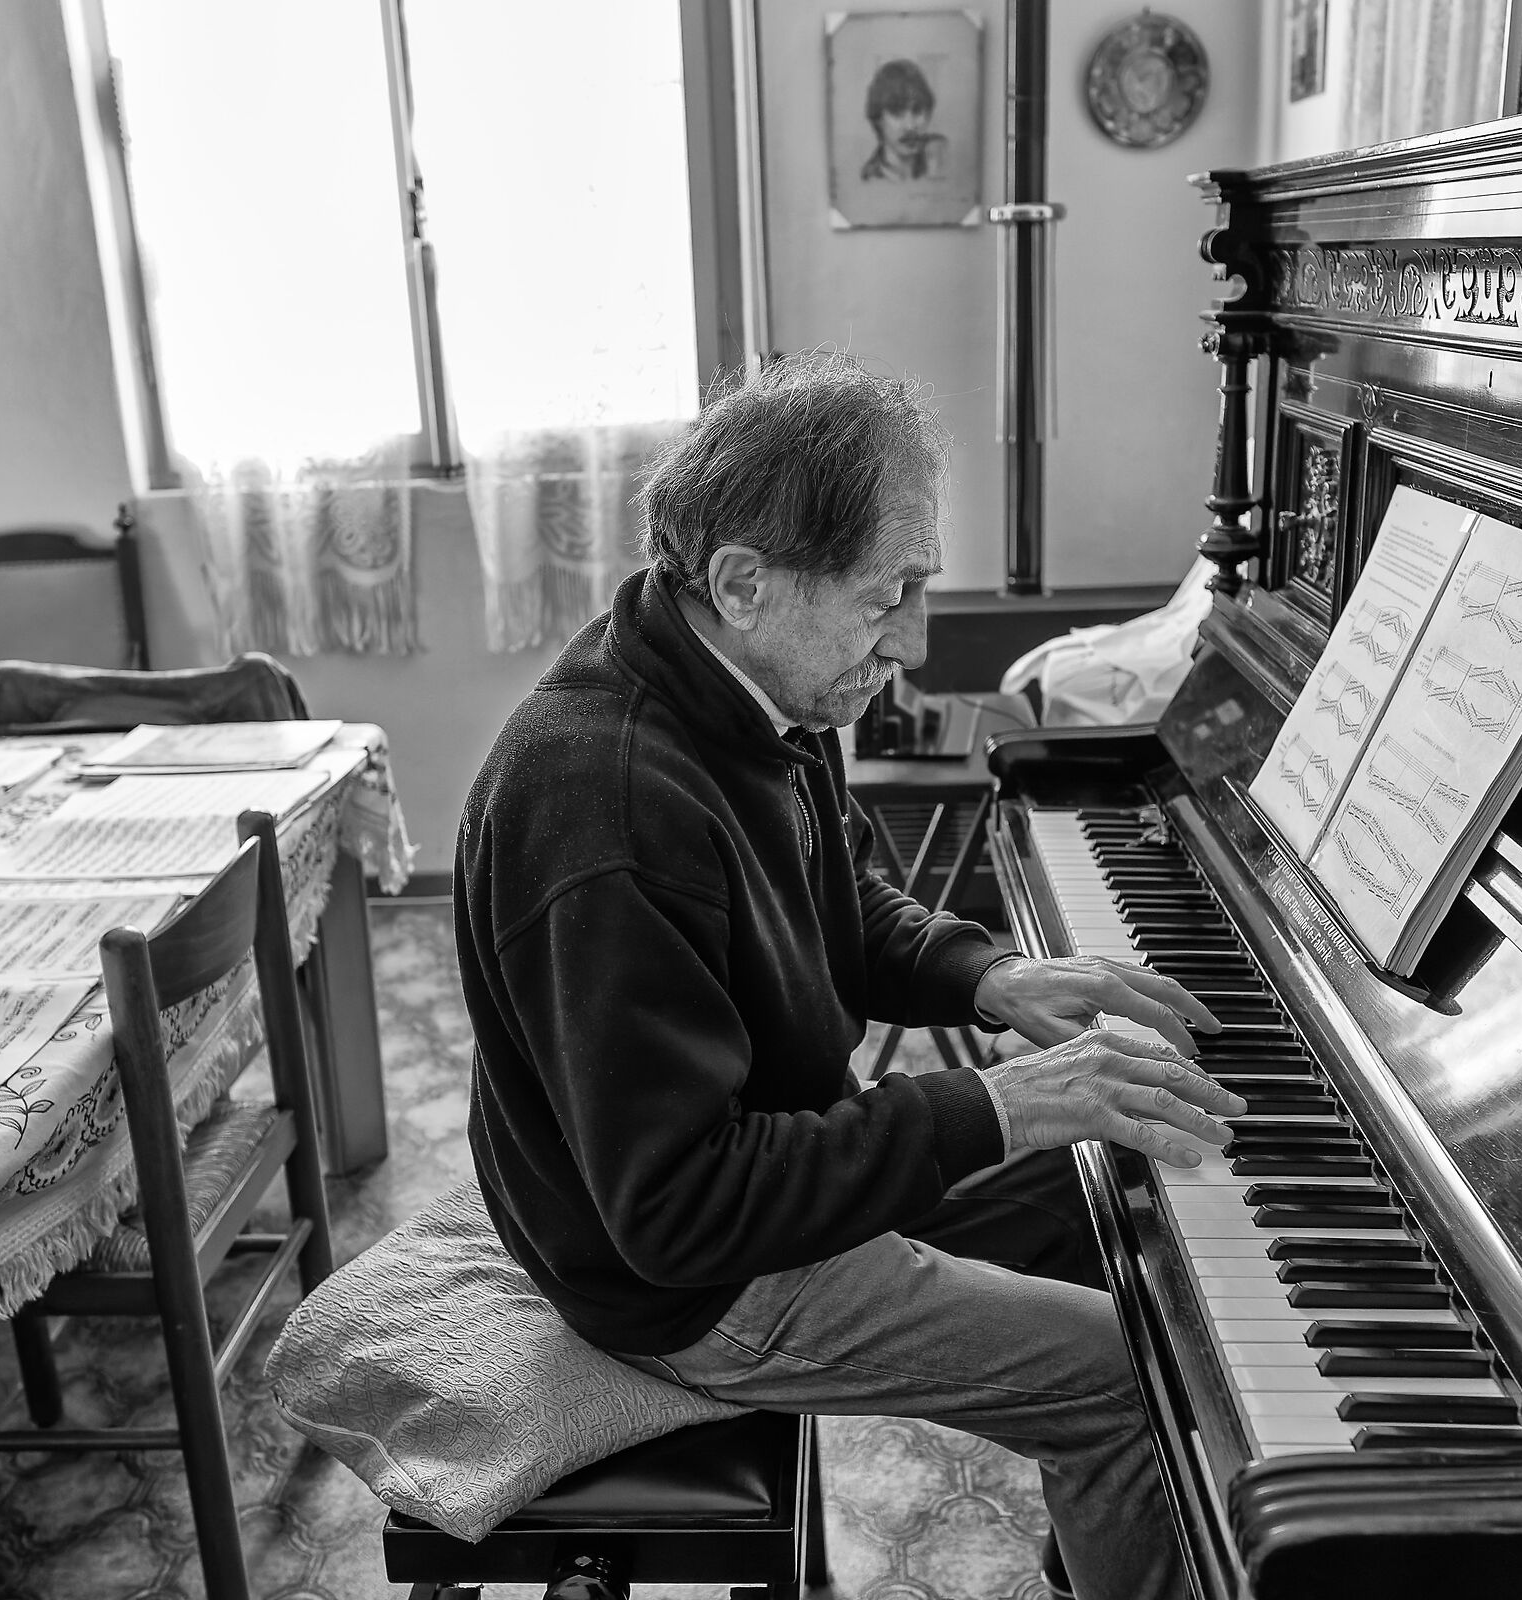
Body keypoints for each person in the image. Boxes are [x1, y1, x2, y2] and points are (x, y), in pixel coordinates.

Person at [454, 352, 1240, 1600]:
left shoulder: (758, 698)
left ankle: (1108, 1539)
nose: (917, 640)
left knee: (1133, 1177)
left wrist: (992, 978)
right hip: (693, 1279)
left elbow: (843, 904)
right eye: (891, 596)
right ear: (744, 582)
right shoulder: (605, 804)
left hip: (770, 1169)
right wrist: (999, 1105)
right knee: (1130, 1378)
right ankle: (1118, 1485)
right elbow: (679, 1210)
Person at [860, 57, 946, 181]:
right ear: (878, 118)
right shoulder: (869, 178)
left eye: (917, 111)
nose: (910, 126)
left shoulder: (941, 153)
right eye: (896, 112)